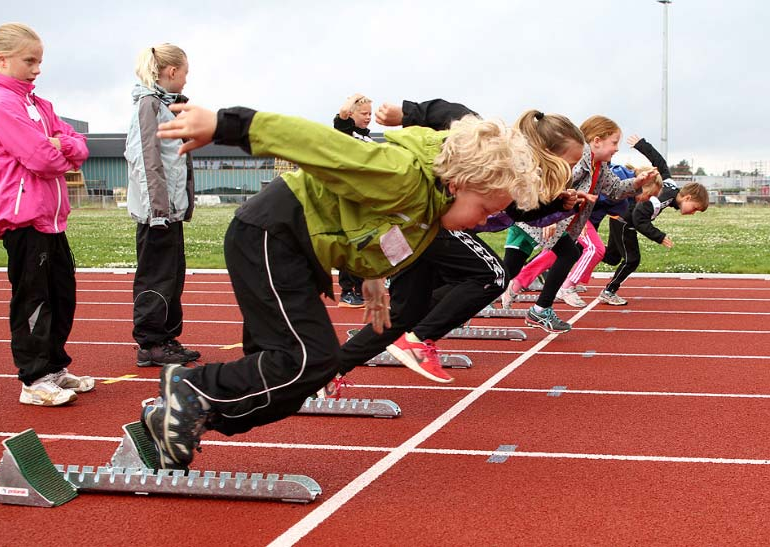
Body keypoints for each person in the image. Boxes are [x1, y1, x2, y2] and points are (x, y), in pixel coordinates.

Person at [138, 102, 542, 469]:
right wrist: (225, 125)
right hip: (271, 232)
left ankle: (187, 415)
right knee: (307, 359)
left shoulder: (430, 206)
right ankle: (190, 388)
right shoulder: (400, 173)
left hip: (294, 248)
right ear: (458, 182)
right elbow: (315, 143)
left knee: (298, 379)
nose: (483, 222)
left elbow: (370, 220)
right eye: (485, 209)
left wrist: (372, 277)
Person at [336, 102, 581, 385]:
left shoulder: (520, 174)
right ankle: (419, 339)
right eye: (570, 162)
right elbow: (451, 112)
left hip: (417, 231)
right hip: (428, 219)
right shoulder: (495, 143)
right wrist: (407, 113)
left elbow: (517, 212)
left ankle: (330, 373)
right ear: (548, 151)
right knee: (493, 274)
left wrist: (559, 204)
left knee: (406, 313)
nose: (572, 169)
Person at [0, 23, 94, 406]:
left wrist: (61, 144)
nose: (37, 68)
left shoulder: (40, 105)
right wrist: (59, 149)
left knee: (61, 294)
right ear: (2, 60)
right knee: (34, 299)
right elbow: (42, 159)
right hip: (23, 218)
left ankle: (54, 367)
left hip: (51, 217)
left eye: (39, 61)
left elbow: (79, 146)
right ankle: (33, 378)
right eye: (29, 61)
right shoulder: (1, 104)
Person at [502, 115, 657, 332]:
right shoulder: (576, 159)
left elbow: (614, 190)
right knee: (506, 270)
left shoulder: (599, 166)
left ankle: (537, 309)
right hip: (533, 222)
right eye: (614, 142)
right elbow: (551, 181)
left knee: (566, 253)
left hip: (556, 223)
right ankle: (461, 299)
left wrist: (637, 183)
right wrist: (548, 215)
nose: (617, 149)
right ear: (596, 141)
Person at [125, 44, 200, 367]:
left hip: (170, 213)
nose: (186, 80)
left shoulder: (168, 106)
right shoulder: (148, 106)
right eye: (184, 73)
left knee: (172, 276)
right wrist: (157, 210)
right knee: (156, 277)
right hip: (157, 215)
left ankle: (167, 337)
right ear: (171, 72)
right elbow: (146, 158)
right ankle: (151, 343)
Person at [599, 134, 709, 305]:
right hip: (624, 222)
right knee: (632, 260)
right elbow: (639, 218)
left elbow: (661, 163)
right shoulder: (663, 199)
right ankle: (608, 291)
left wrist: (642, 145)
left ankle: (579, 252)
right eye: (694, 208)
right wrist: (658, 236)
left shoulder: (671, 186)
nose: (692, 213)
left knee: (612, 257)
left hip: (619, 218)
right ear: (687, 198)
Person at [333, 93, 374, 307]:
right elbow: (341, 117)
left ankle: (360, 289)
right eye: (364, 113)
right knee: (350, 244)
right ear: (352, 113)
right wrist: (352, 99)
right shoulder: (345, 133)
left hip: (365, 197)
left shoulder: (367, 138)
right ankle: (347, 292)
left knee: (365, 243)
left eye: (370, 113)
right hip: (348, 197)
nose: (368, 117)